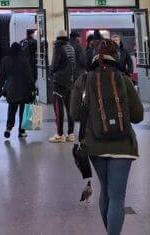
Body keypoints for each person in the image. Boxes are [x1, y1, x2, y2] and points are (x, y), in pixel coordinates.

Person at [71, 39, 144, 235]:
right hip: (123, 147)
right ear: (117, 57)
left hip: (95, 145)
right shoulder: (125, 80)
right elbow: (138, 117)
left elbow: (75, 114)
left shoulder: (83, 81)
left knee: (105, 191)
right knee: (117, 197)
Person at [0, 42, 35, 139]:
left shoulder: (5, 60)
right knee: (23, 111)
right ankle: (22, 132)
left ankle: (8, 128)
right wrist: (33, 88)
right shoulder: (24, 60)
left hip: (11, 89)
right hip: (24, 90)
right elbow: (29, 76)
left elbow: (2, 76)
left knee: (11, 110)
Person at [49, 29, 76, 143]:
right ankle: (71, 133)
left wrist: (51, 70)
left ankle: (60, 134)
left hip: (59, 81)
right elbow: (73, 65)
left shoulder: (58, 47)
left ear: (58, 38)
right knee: (70, 108)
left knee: (58, 108)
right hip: (69, 82)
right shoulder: (71, 47)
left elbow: (55, 64)